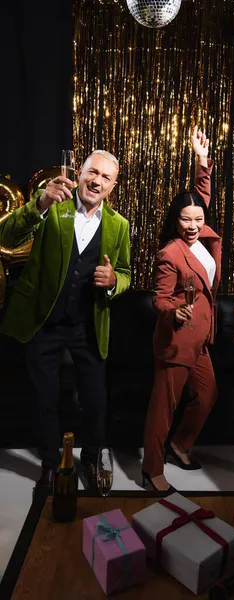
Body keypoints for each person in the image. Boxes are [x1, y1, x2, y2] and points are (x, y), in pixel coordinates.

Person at [0, 150, 131, 493]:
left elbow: (127, 273)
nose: (96, 180)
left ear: (112, 186)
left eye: (105, 177)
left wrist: (114, 281)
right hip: (44, 320)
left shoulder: (119, 225)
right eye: (92, 172)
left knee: (95, 401)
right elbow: (7, 238)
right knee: (44, 399)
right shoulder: (52, 206)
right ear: (80, 173)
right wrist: (39, 203)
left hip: (87, 324)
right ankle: (48, 464)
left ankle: (90, 457)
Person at [142, 125, 221, 492]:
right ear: (175, 220)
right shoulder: (169, 253)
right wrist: (173, 311)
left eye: (197, 219)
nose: (192, 225)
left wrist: (201, 161)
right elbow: (158, 298)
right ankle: (152, 469)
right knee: (163, 408)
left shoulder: (204, 234)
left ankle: (180, 445)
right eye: (185, 219)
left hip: (201, 339)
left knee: (207, 395)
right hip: (176, 340)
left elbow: (200, 195)